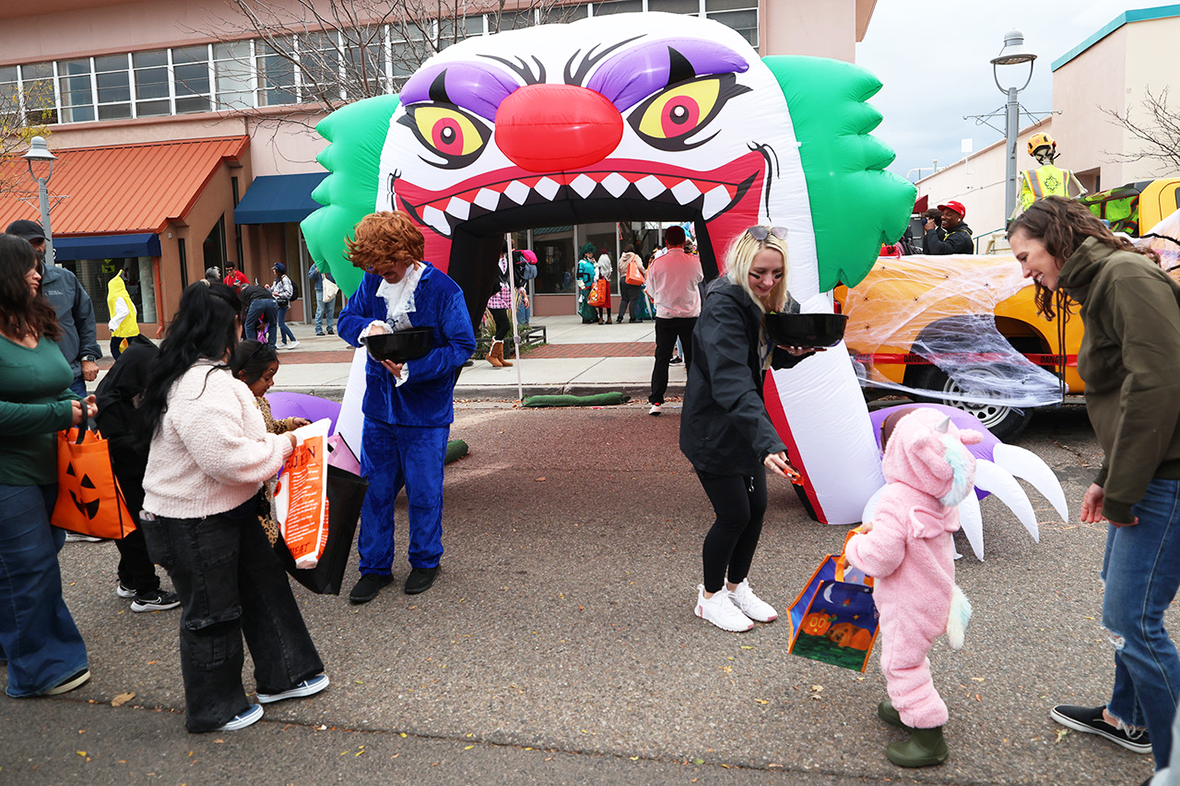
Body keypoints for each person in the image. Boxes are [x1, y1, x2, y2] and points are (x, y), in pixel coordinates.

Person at [1009, 196, 1180, 770]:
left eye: (1025, 256)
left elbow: (1159, 386)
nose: (1024, 271)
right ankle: (1126, 718)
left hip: (1165, 477)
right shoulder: (1104, 279)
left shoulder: (1124, 277)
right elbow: (1129, 395)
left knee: (1132, 620)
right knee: (1125, 603)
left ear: (1056, 238)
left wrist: (1125, 489)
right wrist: (1108, 478)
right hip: (1147, 470)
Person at [138, 282, 328, 733]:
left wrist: (278, 442)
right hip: (194, 520)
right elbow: (228, 460)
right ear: (226, 328)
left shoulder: (195, 375)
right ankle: (214, 707)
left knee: (265, 590)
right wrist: (286, 445)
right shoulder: (202, 385)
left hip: (226, 509)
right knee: (212, 613)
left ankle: (286, 673)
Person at [337, 212, 476, 602]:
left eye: (388, 266)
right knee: (375, 494)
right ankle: (374, 568)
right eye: (374, 267)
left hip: (425, 415)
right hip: (379, 412)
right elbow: (346, 319)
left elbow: (463, 346)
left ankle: (426, 561)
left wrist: (415, 369)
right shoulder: (372, 281)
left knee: (423, 492)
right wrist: (366, 328)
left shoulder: (444, 290)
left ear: (407, 252)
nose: (382, 273)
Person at [679, 225, 802, 634]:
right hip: (714, 427)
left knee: (757, 509)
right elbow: (731, 378)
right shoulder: (723, 306)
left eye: (777, 274)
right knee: (734, 514)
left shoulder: (765, 300)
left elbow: (762, 357)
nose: (768, 282)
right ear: (740, 266)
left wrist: (798, 349)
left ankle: (736, 587)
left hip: (745, 424)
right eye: (759, 273)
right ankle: (710, 597)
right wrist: (767, 442)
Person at [845, 408, 982, 768]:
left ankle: (928, 735)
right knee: (911, 655)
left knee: (901, 664)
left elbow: (881, 558)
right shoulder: (936, 494)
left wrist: (854, 547)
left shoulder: (896, 498)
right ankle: (903, 704)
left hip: (907, 601)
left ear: (897, 450)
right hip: (935, 594)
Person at [0, 233, 93, 697]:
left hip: (52, 463)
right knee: (30, 565)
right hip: (8, 471)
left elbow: (55, 382)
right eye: (27, 265)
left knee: (37, 558)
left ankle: (15, 640)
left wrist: (79, 406)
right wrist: (59, 413)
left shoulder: (35, 319)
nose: (38, 273)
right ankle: (39, 669)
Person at [93, 333, 182, 613]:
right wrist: (150, 442)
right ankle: (146, 592)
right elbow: (120, 446)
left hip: (132, 475)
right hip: (119, 477)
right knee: (133, 532)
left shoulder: (126, 392)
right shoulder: (108, 403)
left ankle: (129, 579)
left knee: (133, 529)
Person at [6, 219, 101, 399]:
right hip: (27, 382)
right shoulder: (6, 289)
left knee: (80, 415)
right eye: (28, 243)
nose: (36, 248)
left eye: (39, 242)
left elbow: (85, 319)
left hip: (70, 378)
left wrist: (88, 357)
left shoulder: (65, 278)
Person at [229, 340, 309, 547]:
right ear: (243, 376)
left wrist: (290, 424)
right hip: (246, 492)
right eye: (267, 377)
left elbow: (270, 427)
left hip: (263, 490)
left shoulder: (261, 401)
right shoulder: (234, 407)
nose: (271, 383)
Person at [645, 225, 703, 416]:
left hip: (665, 317)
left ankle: (656, 400)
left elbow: (650, 289)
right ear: (684, 241)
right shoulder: (695, 262)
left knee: (662, 358)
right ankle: (696, 400)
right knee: (693, 359)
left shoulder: (657, 263)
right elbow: (700, 279)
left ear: (666, 242)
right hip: (690, 316)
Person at [482, 247, 519, 368]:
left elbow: (513, 275)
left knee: (500, 326)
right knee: (505, 325)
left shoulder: (507, 261)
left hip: (505, 294)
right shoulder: (489, 261)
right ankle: (492, 355)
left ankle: (499, 357)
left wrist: (522, 292)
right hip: (494, 296)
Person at [106, 262, 140, 359]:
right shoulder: (125, 296)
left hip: (122, 329)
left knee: (114, 347)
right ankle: (132, 363)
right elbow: (134, 310)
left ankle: (122, 364)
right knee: (132, 349)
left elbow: (124, 311)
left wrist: (113, 324)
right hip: (132, 329)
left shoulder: (116, 297)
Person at [269, 262, 299, 349]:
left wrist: (278, 295)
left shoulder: (285, 279)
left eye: (274, 269)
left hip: (283, 304)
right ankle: (284, 341)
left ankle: (293, 340)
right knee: (280, 322)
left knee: (281, 323)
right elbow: (273, 290)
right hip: (277, 304)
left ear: (278, 271)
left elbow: (289, 293)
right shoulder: (277, 280)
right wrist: (268, 289)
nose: (273, 271)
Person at [240, 281, 278, 347]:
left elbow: (243, 309)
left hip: (258, 301)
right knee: (273, 324)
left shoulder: (242, 293)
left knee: (249, 325)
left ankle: (253, 347)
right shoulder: (259, 288)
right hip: (272, 301)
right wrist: (264, 322)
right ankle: (272, 346)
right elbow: (267, 300)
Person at [616, 244, 645, 323]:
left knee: (624, 299)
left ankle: (620, 317)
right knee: (633, 299)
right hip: (632, 279)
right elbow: (640, 266)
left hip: (623, 279)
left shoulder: (622, 258)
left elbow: (619, 268)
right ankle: (632, 317)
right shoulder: (635, 257)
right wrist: (644, 273)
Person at [308, 264, 336, 336]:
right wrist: (316, 270)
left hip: (330, 289)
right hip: (320, 289)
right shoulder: (316, 265)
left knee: (330, 310)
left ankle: (330, 328)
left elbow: (336, 275)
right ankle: (318, 329)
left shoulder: (330, 263)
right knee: (320, 310)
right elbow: (310, 276)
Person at [576, 244, 598, 324]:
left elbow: (596, 271)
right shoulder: (581, 263)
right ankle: (586, 317)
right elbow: (579, 275)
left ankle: (593, 316)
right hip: (586, 285)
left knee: (592, 301)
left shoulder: (591, 262)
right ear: (585, 253)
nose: (591, 254)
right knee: (587, 302)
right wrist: (582, 285)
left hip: (592, 285)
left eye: (591, 253)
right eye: (589, 253)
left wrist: (595, 264)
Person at [594, 248, 613, 324]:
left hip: (601, 283)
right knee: (608, 301)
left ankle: (601, 318)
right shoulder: (608, 266)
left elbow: (596, 275)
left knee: (600, 301)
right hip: (607, 283)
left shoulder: (599, 266)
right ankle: (609, 318)